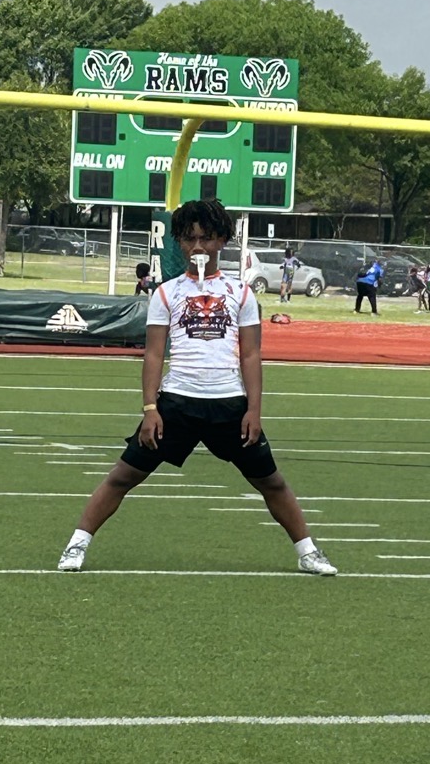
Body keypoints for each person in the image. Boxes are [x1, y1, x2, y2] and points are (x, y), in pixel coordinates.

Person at [58, 198, 337, 577]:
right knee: (123, 476)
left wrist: (253, 410)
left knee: (271, 481)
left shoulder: (241, 293)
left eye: (206, 238)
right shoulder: (166, 293)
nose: (198, 247)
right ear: (179, 242)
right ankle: (77, 544)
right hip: (177, 403)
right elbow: (154, 355)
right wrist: (150, 409)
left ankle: (307, 552)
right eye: (189, 239)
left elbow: (251, 355)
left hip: (228, 405)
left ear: (222, 240)